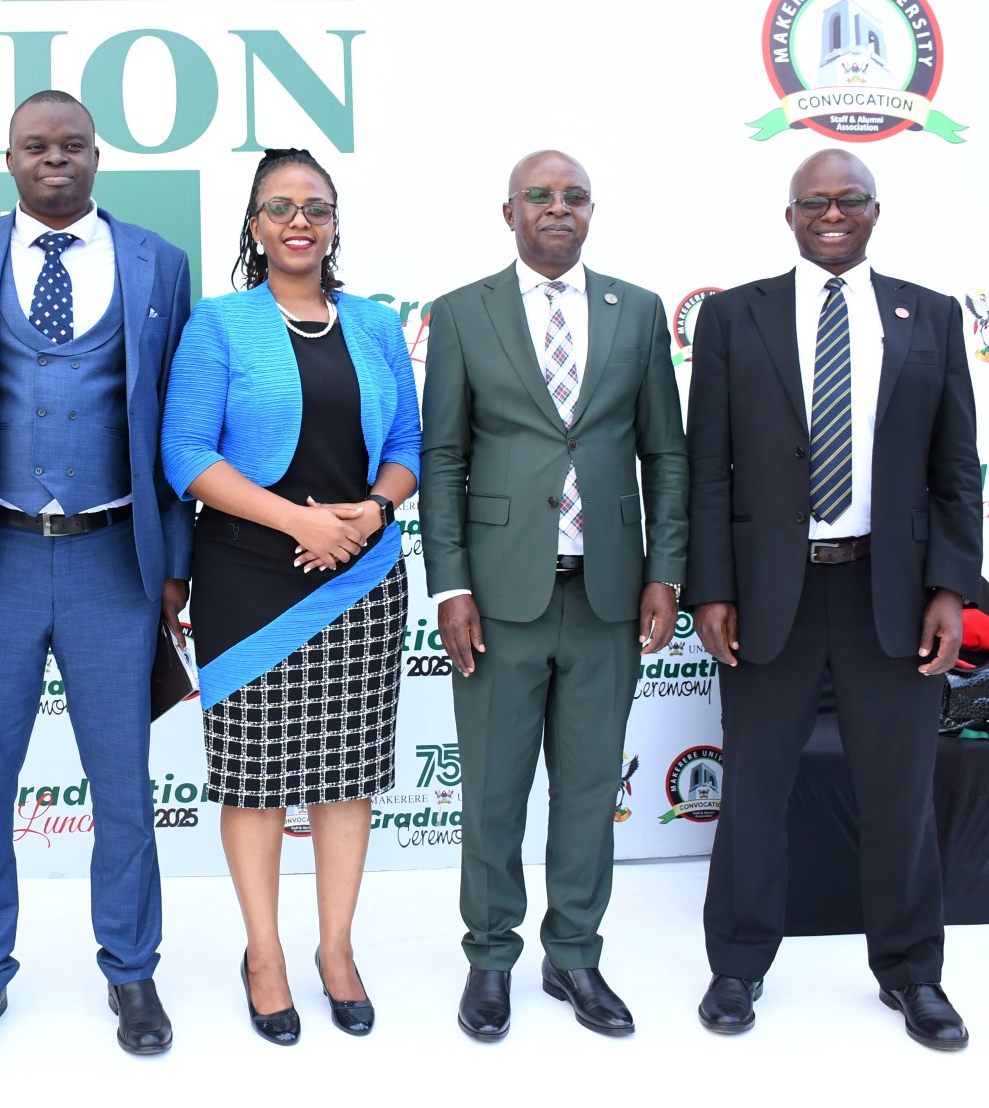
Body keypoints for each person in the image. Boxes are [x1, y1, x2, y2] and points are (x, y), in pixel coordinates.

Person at [0, 89, 191, 1062]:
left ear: (97, 154)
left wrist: (175, 563)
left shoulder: (158, 261)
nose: (53, 159)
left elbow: (180, 428)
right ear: (9, 157)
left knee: (123, 781)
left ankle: (132, 968)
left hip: (116, 558)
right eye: (36, 145)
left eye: (71, 145)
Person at [686, 149, 977, 1050]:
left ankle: (911, 974)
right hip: (772, 590)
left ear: (876, 212)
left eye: (850, 199)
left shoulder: (928, 315)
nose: (833, 212)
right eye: (816, 201)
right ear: (790, 216)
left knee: (899, 793)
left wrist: (952, 586)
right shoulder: (737, 316)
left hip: (887, 592)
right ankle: (737, 965)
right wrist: (712, 589)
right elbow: (706, 469)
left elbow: (954, 470)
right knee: (758, 787)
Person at [420, 150, 687, 1041]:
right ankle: (490, 957)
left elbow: (667, 455)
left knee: (585, 790)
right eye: (540, 196)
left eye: (574, 196)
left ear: (591, 211)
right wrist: (451, 581)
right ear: (509, 213)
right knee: (494, 791)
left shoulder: (639, 311)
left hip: (609, 590)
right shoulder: (461, 313)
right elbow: (445, 458)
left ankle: (573, 953)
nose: (558, 209)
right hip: (497, 597)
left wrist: (665, 568)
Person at [160, 148, 419, 1045]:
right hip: (248, 577)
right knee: (256, 778)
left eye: (315, 205)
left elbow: (410, 448)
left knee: (347, 777)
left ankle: (336, 949)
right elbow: (187, 454)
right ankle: (264, 953)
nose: (298, 219)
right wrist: (296, 522)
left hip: (364, 572)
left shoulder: (380, 325)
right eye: (279, 206)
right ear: (256, 225)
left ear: (336, 221)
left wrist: (372, 511)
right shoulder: (220, 324)